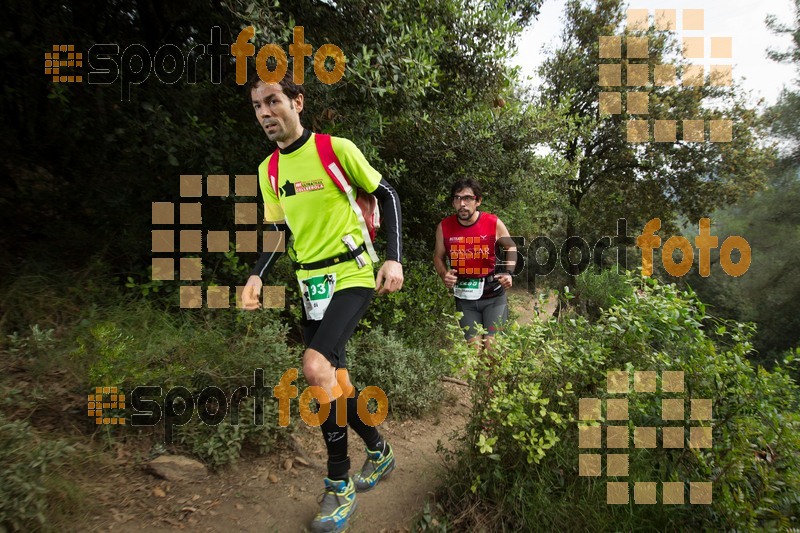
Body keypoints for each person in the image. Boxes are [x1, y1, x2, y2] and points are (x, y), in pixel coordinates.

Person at [241, 72, 403, 533]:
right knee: (335, 383)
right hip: (311, 284)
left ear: (297, 101)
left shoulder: (335, 149)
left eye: (273, 101)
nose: (265, 113)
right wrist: (256, 274)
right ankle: (379, 449)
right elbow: (277, 233)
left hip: (353, 272)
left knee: (313, 368)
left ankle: (339, 482)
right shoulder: (268, 170)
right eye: (257, 106)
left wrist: (394, 259)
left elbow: (386, 193)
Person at [433, 179, 516, 351]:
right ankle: (476, 380)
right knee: (474, 350)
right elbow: (438, 256)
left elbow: (511, 246)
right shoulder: (444, 227)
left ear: (478, 201)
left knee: (492, 349)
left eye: (468, 198)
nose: (462, 204)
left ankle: (491, 378)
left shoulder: (493, 223)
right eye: (457, 199)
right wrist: (444, 275)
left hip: (493, 296)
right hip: (465, 299)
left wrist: (508, 272)